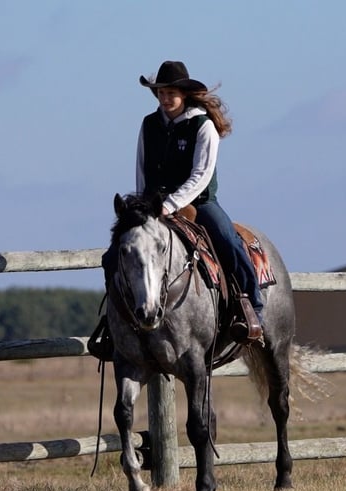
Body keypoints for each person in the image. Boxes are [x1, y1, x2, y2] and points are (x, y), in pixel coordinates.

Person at [88, 61, 263, 360]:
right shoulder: (149, 125)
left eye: (171, 92)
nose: (166, 98)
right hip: (153, 209)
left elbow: (201, 175)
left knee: (228, 239)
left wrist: (171, 204)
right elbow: (141, 170)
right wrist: (143, 209)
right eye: (161, 93)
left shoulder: (203, 125)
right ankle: (116, 320)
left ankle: (251, 308)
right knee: (113, 254)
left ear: (184, 93)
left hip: (199, 202)